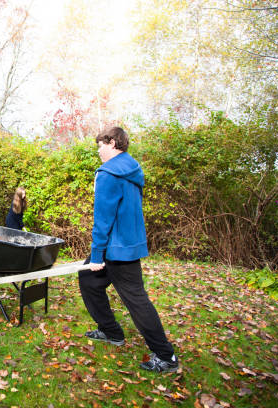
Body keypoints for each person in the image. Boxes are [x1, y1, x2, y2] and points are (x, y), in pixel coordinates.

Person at [79, 126, 178, 373]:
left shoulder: (108, 173)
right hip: (127, 245)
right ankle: (111, 331)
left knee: (137, 300)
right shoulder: (131, 169)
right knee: (88, 279)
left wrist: (97, 254)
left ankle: (166, 357)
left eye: (100, 145)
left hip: (116, 249)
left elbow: (103, 219)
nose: (99, 151)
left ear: (112, 143)